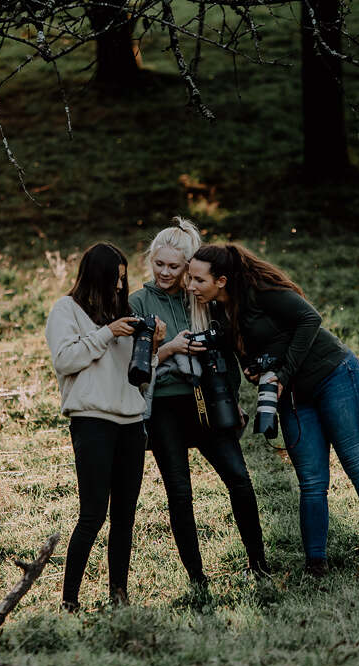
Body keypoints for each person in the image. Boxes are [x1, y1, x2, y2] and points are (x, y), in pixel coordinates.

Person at [187, 243, 359, 576]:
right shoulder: (219, 312)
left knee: (358, 465)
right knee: (311, 480)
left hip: (334, 375)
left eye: (198, 280)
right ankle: (315, 562)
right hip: (293, 396)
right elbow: (255, 350)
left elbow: (310, 318)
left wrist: (284, 373)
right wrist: (254, 369)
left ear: (221, 280)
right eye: (190, 278)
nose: (191, 286)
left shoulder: (261, 292)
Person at [130, 219, 270, 588]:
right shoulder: (138, 302)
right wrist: (169, 348)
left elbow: (226, 355)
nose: (165, 272)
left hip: (206, 400)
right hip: (163, 404)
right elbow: (132, 364)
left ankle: (259, 564)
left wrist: (232, 400)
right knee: (180, 491)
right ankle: (197, 578)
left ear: (188, 265)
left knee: (239, 479)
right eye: (159, 264)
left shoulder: (201, 298)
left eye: (174, 266)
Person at [45, 242, 166, 611]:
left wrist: (152, 347)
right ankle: (69, 601)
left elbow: (142, 381)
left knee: (125, 517)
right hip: (92, 421)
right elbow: (65, 360)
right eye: (115, 278)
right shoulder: (66, 310)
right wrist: (107, 333)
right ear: (97, 276)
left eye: (123, 279)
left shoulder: (125, 316)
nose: (119, 286)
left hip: (131, 424)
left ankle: (119, 596)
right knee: (93, 514)